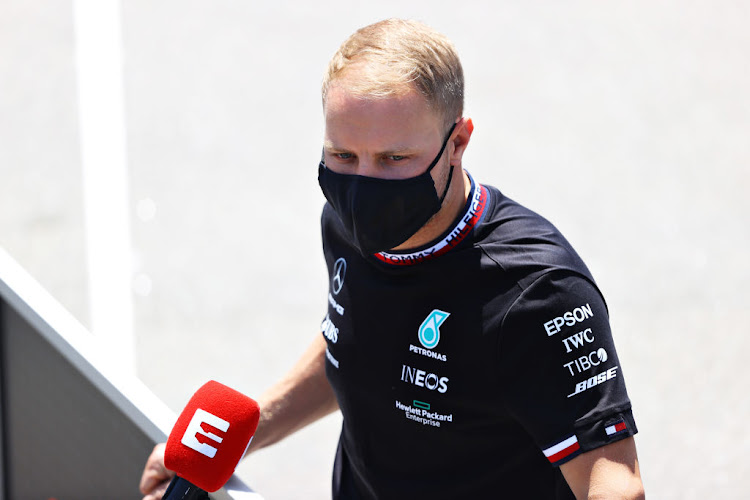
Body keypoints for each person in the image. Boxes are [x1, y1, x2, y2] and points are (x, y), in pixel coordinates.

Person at [141, 18, 644, 500]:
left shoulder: (536, 293)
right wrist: (238, 438)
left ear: (459, 143)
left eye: (393, 159)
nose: (362, 188)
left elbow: (614, 485)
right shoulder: (343, 225)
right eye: (342, 156)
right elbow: (359, 345)